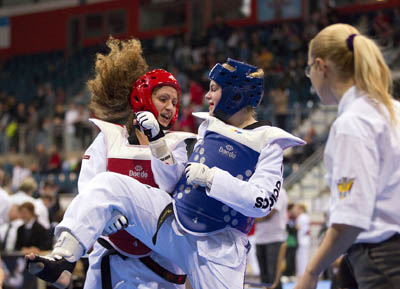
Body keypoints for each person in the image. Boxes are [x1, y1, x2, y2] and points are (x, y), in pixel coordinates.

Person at [27, 58, 305, 289]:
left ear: (235, 94)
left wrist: (212, 179)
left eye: (214, 89)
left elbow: (262, 202)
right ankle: (64, 257)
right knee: (107, 185)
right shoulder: (207, 125)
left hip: (221, 246)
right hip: (174, 224)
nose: (206, 96)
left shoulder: (268, 141)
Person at [30, 37, 191, 289]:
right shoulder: (109, 139)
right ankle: (64, 259)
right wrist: (106, 220)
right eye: (163, 99)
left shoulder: (177, 144)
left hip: (159, 260)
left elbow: (170, 185)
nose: (171, 107)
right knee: (102, 186)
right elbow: (89, 193)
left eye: (174, 101)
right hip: (111, 255)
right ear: (143, 98)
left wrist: (157, 141)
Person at [295, 23, 400, 289]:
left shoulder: (353, 124)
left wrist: (310, 273)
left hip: (380, 259)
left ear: (321, 67)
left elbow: (349, 221)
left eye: (309, 70)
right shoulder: (393, 111)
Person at [254, 187, 288, 289]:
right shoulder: (260, 192)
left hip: (275, 239)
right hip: (260, 238)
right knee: (264, 276)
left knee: (273, 275)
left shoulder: (280, 192)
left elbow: (270, 214)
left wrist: (253, 219)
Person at [293, 203, 310, 277]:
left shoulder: (302, 217)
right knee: (302, 258)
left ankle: (302, 273)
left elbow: (298, 227)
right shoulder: (304, 217)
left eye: (297, 209)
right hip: (303, 240)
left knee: (303, 258)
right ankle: (302, 273)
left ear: (301, 209)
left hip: (303, 240)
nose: (296, 211)